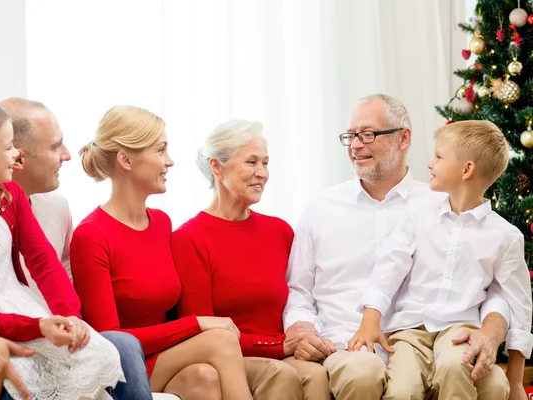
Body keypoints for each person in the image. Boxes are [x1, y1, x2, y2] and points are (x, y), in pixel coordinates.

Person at [283, 94, 512, 400]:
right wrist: (303, 329)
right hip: (350, 344)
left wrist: (491, 332)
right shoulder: (320, 208)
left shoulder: (444, 203)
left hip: (432, 343)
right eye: (350, 136)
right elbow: (298, 289)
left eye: (367, 134)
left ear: (403, 138)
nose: (355, 145)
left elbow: (492, 280)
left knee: (495, 383)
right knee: (364, 373)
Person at [0, 100, 123, 400]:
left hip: (27, 309)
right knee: (29, 380)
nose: (17, 154)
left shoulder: (11, 196)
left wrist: (71, 315)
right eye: (8, 147)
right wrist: (39, 326)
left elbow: (43, 261)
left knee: (102, 353)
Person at [71, 105, 254, 400]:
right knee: (220, 340)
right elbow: (111, 340)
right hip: (124, 365)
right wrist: (197, 323)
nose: (169, 161)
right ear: (126, 160)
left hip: (162, 356)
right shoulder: (92, 235)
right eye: (160, 150)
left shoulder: (161, 223)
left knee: (203, 379)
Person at [348, 120, 532, 400]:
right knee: (401, 391)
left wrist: (516, 381)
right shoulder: (417, 217)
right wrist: (370, 319)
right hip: (409, 331)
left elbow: (518, 305)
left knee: (454, 368)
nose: (430, 164)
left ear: (467, 169)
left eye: (438, 157)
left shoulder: (505, 236)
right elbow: (389, 267)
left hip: (460, 330)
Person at [0, 97, 153, 400]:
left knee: (124, 344)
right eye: (56, 147)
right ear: (17, 157)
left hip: (56, 335)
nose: (68, 155)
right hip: (10, 339)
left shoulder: (56, 208)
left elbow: (60, 276)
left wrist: (71, 321)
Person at [171, 119, 330, 400]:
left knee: (316, 374)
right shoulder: (190, 238)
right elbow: (202, 334)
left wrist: (305, 334)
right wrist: (279, 347)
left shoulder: (279, 231)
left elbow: (300, 298)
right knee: (279, 373)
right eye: (251, 162)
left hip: (279, 351)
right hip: (229, 358)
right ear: (216, 167)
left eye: (266, 163)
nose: (262, 173)